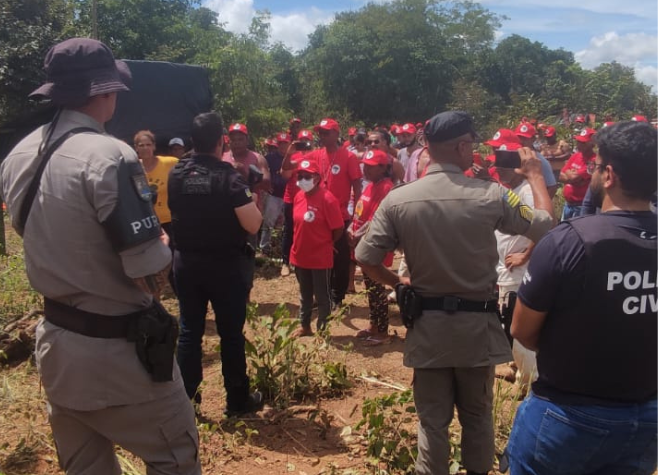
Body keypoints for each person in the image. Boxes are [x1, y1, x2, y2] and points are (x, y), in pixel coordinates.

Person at [0, 37, 200, 475]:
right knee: (176, 457)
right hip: (120, 355)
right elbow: (149, 273)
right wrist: (162, 252)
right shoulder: (111, 155)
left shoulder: (18, 154)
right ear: (105, 92)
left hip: (56, 347)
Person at [355, 111, 554, 475]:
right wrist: (537, 177)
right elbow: (544, 225)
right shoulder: (492, 195)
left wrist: (398, 284)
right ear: (462, 146)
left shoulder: (399, 199)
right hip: (475, 330)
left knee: (432, 424)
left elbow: (365, 258)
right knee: (477, 419)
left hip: (427, 329)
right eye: (472, 145)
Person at [507, 120, 657, 475]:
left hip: (567, 415)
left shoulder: (568, 241)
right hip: (646, 417)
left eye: (596, 165)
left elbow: (523, 330)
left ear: (609, 175)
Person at [168, 112, 264, 416]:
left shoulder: (177, 173)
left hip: (186, 264)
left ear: (193, 141)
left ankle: (188, 404)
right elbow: (252, 225)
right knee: (230, 334)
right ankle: (237, 401)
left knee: (189, 333)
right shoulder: (230, 177)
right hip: (225, 266)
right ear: (222, 141)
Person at [307, 118, 362, 308]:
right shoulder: (315, 155)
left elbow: (357, 184)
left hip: (340, 215)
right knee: (320, 256)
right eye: (320, 132)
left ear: (337, 134)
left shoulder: (349, 157)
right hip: (319, 215)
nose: (322, 136)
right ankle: (322, 295)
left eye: (327, 132)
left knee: (340, 258)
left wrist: (357, 213)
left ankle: (337, 297)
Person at [289, 159, 344, 337]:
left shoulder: (328, 199)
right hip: (299, 255)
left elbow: (338, 228)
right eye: (300, 176)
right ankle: (305, 326)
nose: (302, 179)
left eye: (307, 176)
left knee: (322, 296)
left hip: (320, 256)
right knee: (304, 295)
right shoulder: (298, 196)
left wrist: (328, 243)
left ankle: (323, 329)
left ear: (317, 178)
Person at [348, 150, 395, 345]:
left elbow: (376, 218)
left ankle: (382, 331)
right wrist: (351, 228)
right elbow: (359, 214)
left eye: (370, 166)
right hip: (362, 243)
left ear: (383, 168)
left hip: (374, 245)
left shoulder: (386, 187)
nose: (365, 169)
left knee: (377, 288)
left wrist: (358, 235)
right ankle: (374, 324)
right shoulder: (370, 186)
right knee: (370, 287)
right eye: (364, 165)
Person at [280, 129, 315, 277]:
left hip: (310, 199)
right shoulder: (294, 158)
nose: (305, 145)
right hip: (292, 198)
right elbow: (285, 173)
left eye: (307, 141)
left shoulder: (316, 157)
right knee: (289, 230)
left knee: (308, 230)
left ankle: (303, 260)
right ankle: (286, 262)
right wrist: (289, 153)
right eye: (302, 141)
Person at [134, 130, 178, 240]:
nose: (145, 148)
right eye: (141, 145)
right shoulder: (133, 168)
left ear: (154, 146)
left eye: (148, 144)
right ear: (136, 148)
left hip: (169, 221)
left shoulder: (170, 162)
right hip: (147, 223)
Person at [259, 132, 289, 255]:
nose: (283, 146)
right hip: (274, 195)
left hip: (289, 196)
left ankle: (283, 249)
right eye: (281, 144)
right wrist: (266, 185)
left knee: (287, 224)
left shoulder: (293, 157)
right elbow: (262, 171)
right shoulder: (270, 158)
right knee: (268, 222)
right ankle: (264, 247)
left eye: (285, 144)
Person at [559, 127, 597, 220]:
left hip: (580, 206)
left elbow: (572, 178)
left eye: (583, 143)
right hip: (568, 204)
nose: (579, 145)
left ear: (592, 144)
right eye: (579, 141)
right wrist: (572, 177)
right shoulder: (576, 155)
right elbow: (560, 176)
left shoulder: (593, 160)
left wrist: (569, 174)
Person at [514, 122, 558, 197]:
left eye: (525, 138)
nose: (521, 141)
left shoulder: (540, 161)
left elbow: (552, 187)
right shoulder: (513, 156)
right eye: (519, 137)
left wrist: (540, 206)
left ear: (533, 139)